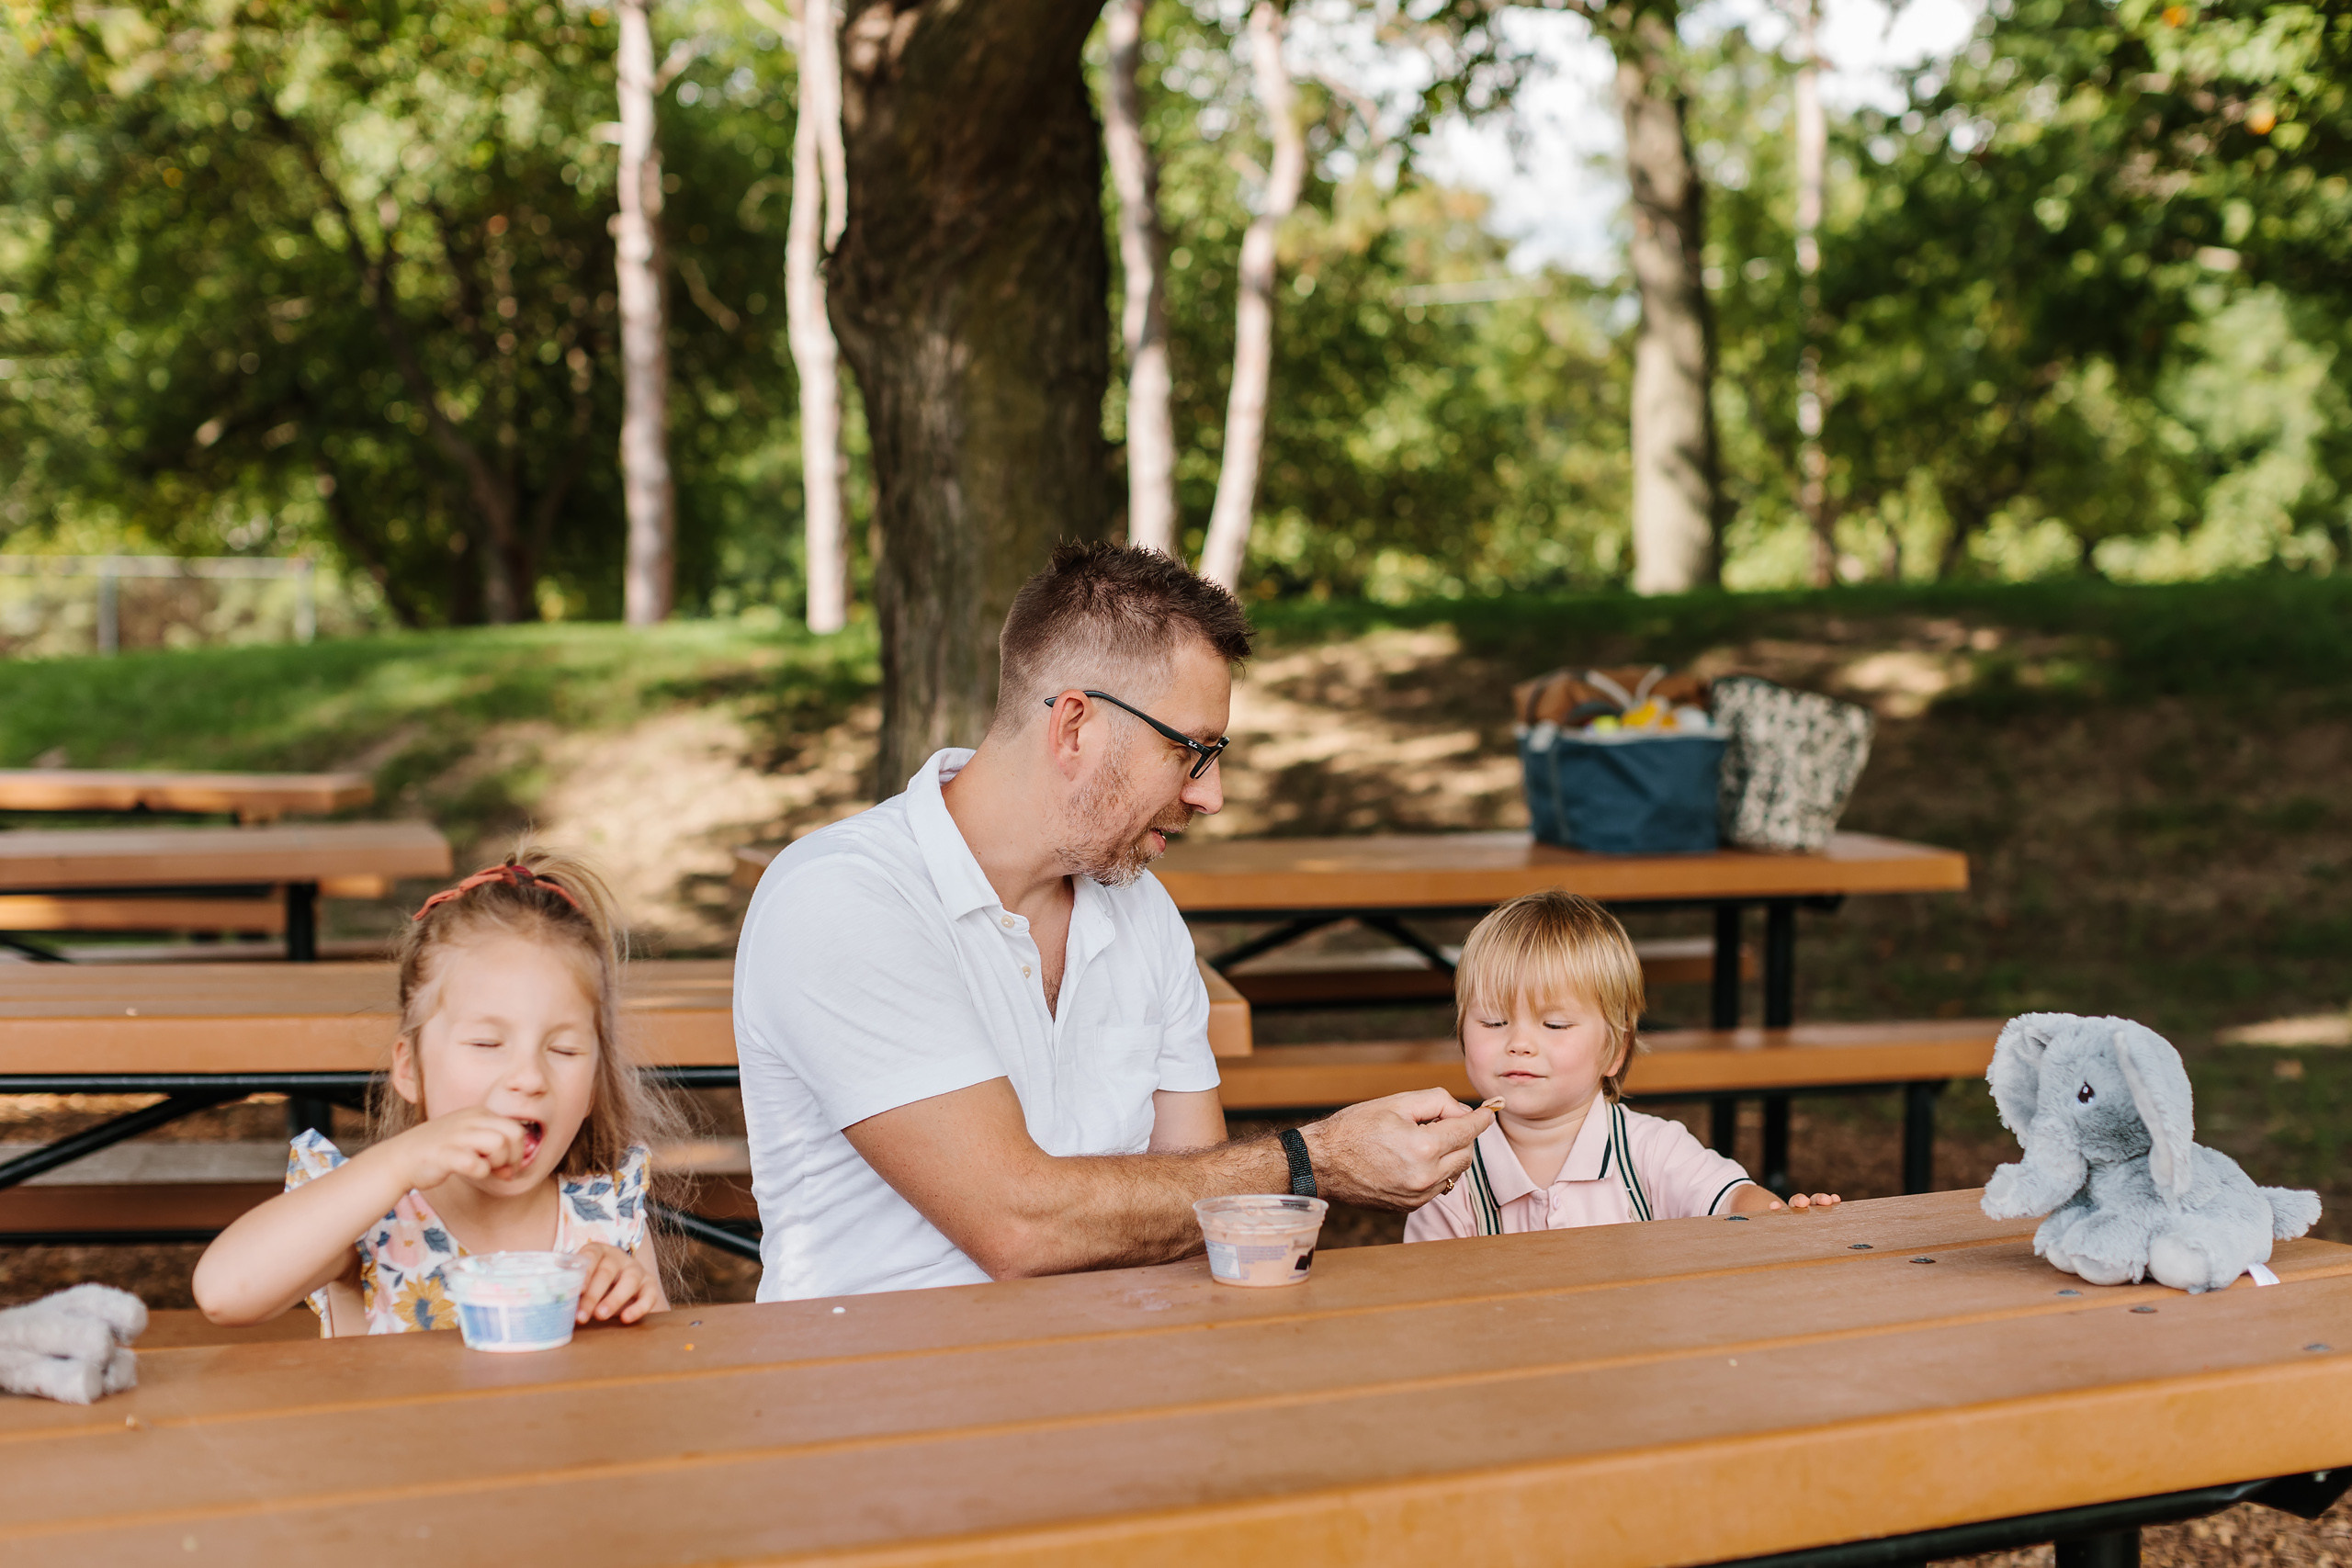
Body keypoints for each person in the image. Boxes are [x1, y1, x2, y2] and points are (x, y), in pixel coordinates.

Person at [736, 542, 1493, 1300]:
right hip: (875, 1393)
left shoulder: (1143, 910)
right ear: (1074, 727)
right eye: (1190, 750)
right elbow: (1018, 1225)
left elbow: (1197, 1209)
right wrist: (1314, 1159)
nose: (1211, 795)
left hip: (1115, 1373)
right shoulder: (844, 897)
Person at [192, 850, 681, 1336]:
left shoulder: (604, 1211)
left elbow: (655, 1382)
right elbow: (224, 1294)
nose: (529, 1077)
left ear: (596, 1084)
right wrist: (399, 1162)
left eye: (565, 1050)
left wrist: (636, 1298)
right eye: (488, 1043)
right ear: (410, 1069)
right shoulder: (370, 1216)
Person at [1406, 890, 1840, 1241]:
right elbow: (1431, 1304)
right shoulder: (1449, 1176)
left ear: (1615, 1050)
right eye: (1494, 1021)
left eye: (1554, 1024)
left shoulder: (1652, 1150)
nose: (1519, 1043)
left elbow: (1728, 1199)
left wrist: (1778, 1219)